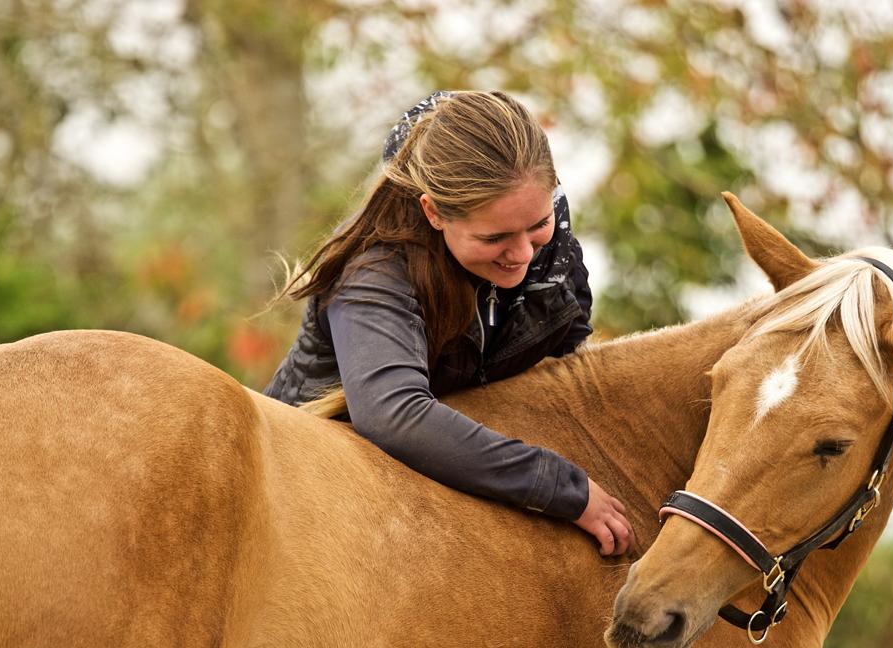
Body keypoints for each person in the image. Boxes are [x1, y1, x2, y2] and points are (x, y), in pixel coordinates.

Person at [264, 90, 634, 557]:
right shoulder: (375, 271)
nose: (522, 254)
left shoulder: (553, 246)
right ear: (433, 212)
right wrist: (562, 487)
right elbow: (392, 414)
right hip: (303, 491)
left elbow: (566, 376)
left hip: (425, 501)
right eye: (494, 237)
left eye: (536, 224)